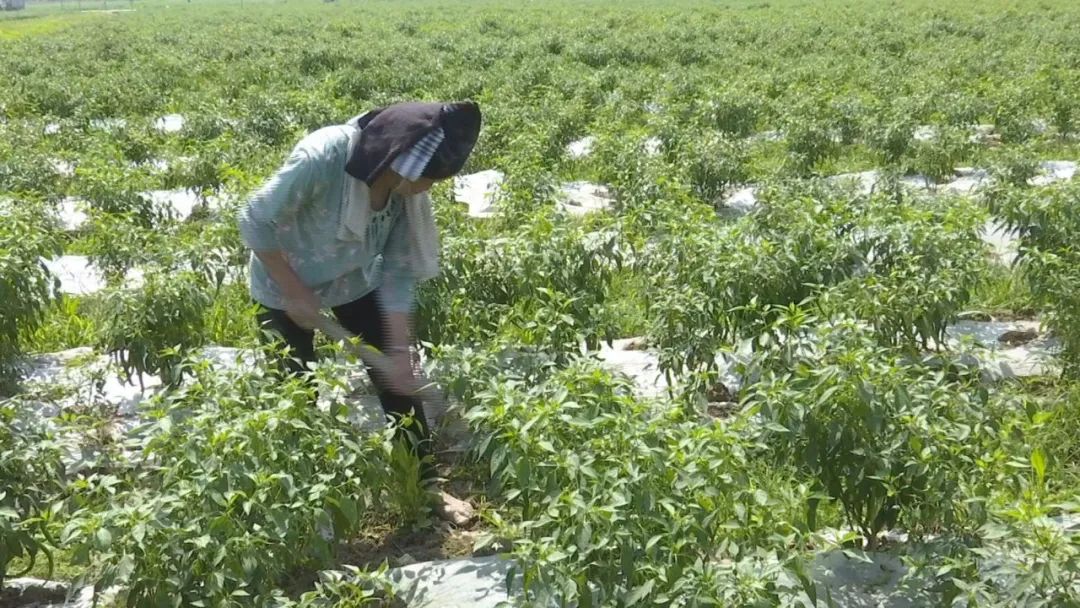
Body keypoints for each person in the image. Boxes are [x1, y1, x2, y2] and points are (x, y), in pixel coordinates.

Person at [236, 101, 482, 524]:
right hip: (282, 282)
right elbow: (254, 216)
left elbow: (400, 270)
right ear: (403, 159)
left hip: (354, 280)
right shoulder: (326, 156)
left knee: (398, 386)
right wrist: (294, 291)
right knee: (296, 392)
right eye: (429, 177)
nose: (429, 188)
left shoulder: (405, 194)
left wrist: (400, 349)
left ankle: (423, 484)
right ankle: (298, 503)